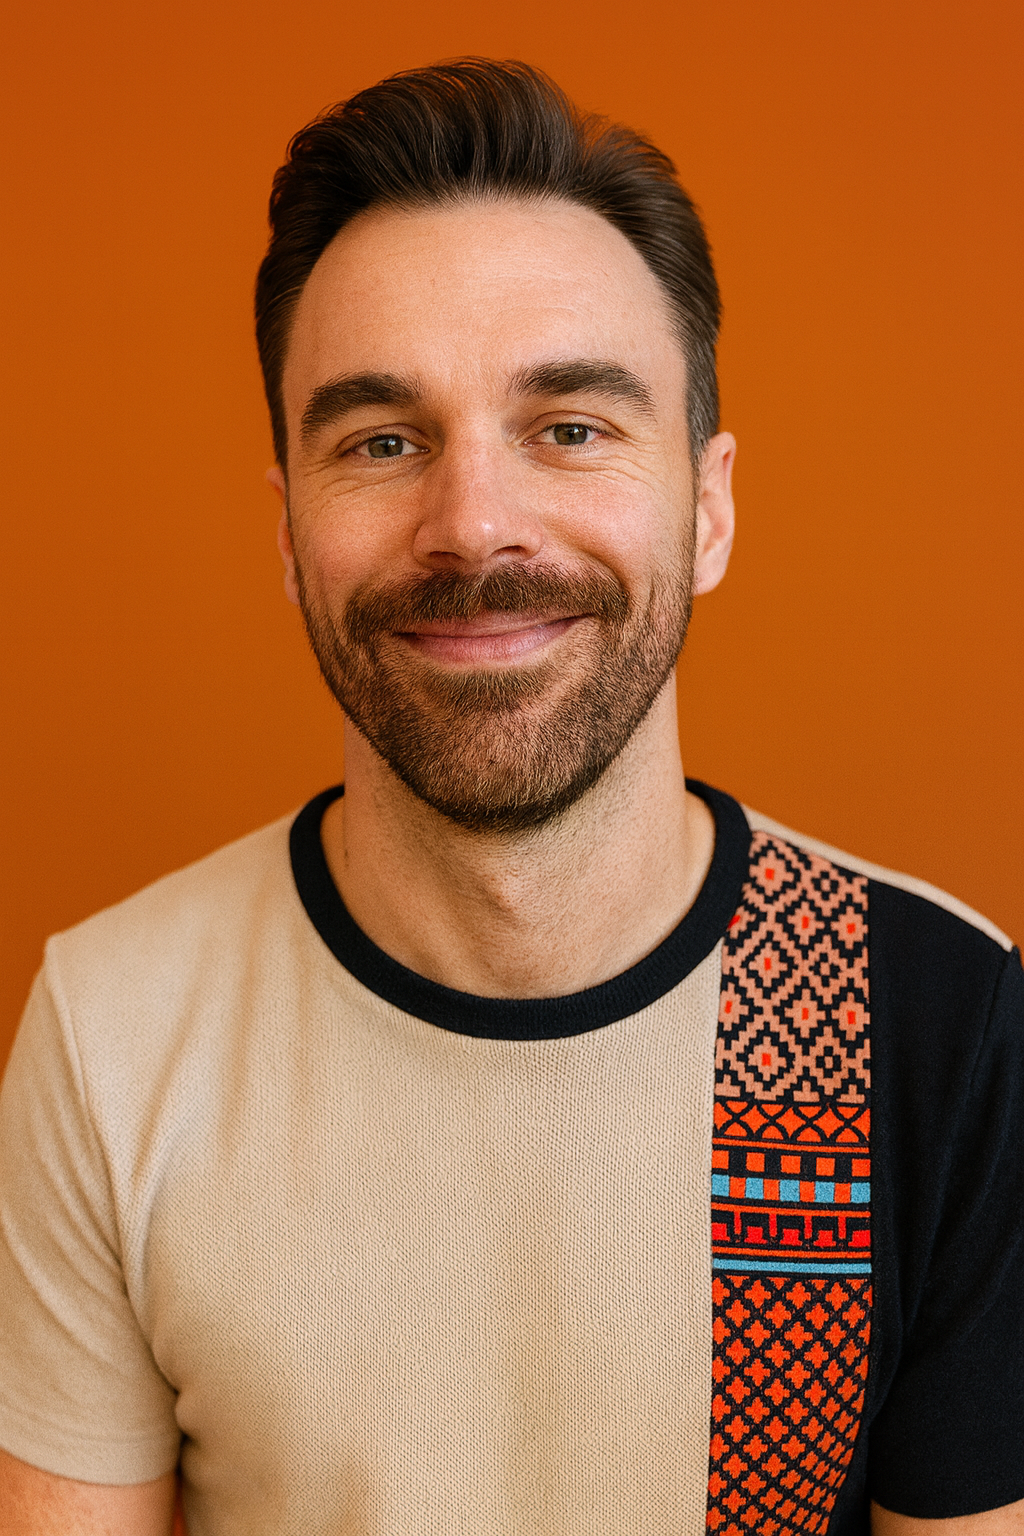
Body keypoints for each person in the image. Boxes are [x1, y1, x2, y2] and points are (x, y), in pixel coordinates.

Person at [0, 57, 1021, 1536]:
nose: (472, 520)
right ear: (290, 538)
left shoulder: (935, 1022)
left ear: (709, 502)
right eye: (381, 442)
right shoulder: (110, 1036)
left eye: (573, 427)